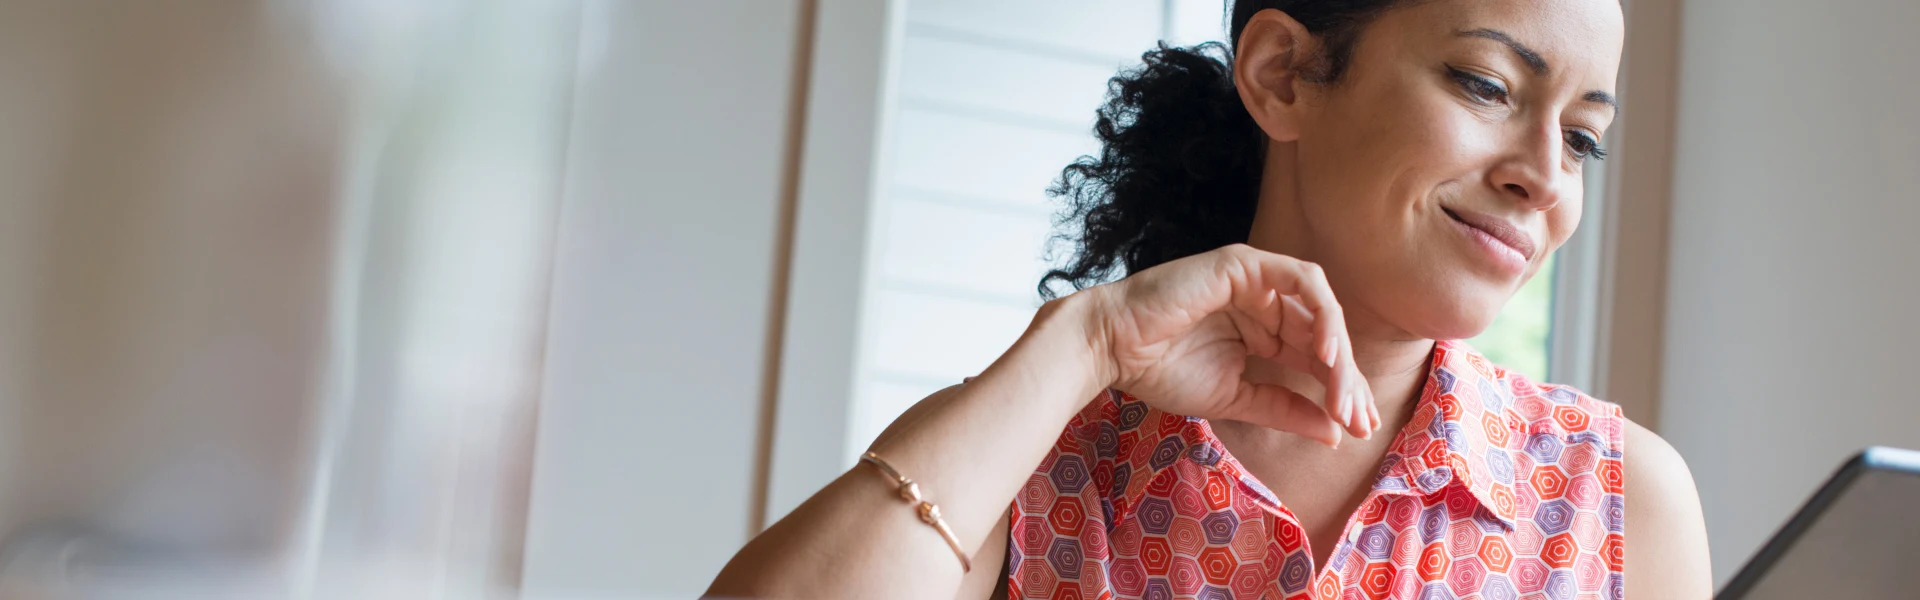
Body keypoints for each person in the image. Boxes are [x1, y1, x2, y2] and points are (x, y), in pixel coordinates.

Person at [709, 0, 1712, 597]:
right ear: (1283, 74)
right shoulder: (1036, 461)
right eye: (1488, 85)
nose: (1544, 175)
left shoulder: (1619, 501)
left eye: (1581, 137)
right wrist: (1083, 341)